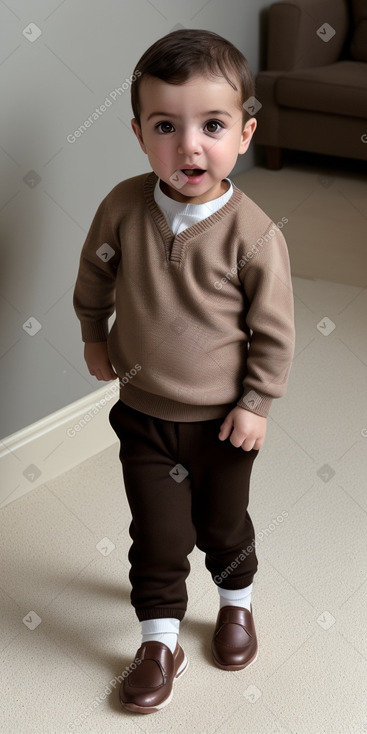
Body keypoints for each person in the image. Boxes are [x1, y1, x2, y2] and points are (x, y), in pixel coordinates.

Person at [73, 28, 295, 715]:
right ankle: (158, 639)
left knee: (222, 527)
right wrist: (93, 333)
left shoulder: (253, 233)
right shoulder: (122, 206)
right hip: (143, 413)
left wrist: (255, 402)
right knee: (159, 535)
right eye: (166, 126)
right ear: (140, 133)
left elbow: (274, 331)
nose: (188, 145)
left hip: (223, 422)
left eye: (212, 125)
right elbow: (94, 278)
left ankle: (235, 602)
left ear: (245, 134)